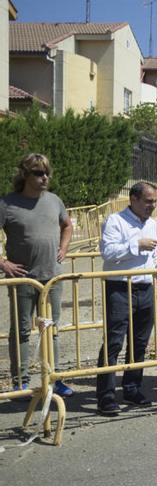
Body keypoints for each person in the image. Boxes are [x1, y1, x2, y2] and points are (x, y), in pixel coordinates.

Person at [0, 154, 74, 397]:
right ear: (25, 174)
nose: (45, 178)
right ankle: (20, 381)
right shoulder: (7, 204)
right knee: (21, 330)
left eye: (47, 173)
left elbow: (67, 225)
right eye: (39, 173)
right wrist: (4, 264)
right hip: (23, 278)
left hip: (51, 277)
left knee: (51, 329)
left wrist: (63, 248)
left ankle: (53, 377)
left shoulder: (54, 200)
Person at [96, 182, 157, 416]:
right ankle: (106, 396)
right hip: (120, 286)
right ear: (133, 199)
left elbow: (152, 255)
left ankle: (132, 388)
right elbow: (108, 252)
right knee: (114, 341)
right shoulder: (115, 221)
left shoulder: (151, 223)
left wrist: (154, 272)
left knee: (140, 342)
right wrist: (136, 244)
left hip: (145, 287)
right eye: (147, 201)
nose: (151, 206)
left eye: (155, 201)